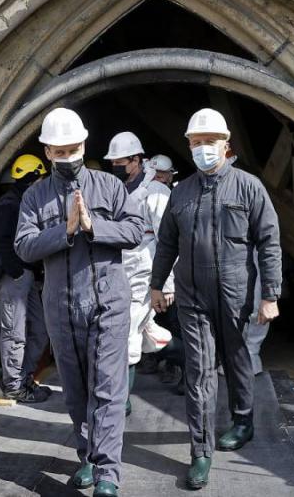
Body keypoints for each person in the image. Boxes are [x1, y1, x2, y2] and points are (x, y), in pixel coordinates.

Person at [15, 108, 144, 497]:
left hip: (108, 301)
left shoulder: (109, 186)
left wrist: (93, 226)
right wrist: (65, 230)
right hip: (61, 305)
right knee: (76, 392)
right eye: (58, 151)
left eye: (73, 149)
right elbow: (23, 246)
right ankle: (87, 456)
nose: (67, 157)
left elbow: (135, 229)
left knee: (107, 388)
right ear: (47, 152)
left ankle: (108, 474)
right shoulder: (34, 196)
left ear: (84, 145)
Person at [150, 108, 282, 490]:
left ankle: (243, 420)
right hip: (192, 296)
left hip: (235, 292)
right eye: (196, 142)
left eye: (210, 142)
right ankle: (200, 452)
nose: (203, 148)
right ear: (188, 146)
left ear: (226, 145)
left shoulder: (248, 187)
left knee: (237, 358)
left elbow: (269, 243)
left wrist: (270, 295)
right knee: (200, 369)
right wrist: (157, 285)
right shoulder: (183, 192)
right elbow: (166, 243)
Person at [104, 132, 176, 416]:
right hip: (121, 272)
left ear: (136, 160)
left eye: (120, 161)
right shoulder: (119, 189)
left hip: (146, 273)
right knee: (149, 335)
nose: (115, 166)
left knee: (128, 335)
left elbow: (169, 241)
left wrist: (166, 284)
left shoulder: (156, 192)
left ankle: (122, 402)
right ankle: (190, 359)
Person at [0, 154, 51, 402]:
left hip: (26, 277)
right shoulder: (8, 205)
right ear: (32, 178)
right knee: (14, 332)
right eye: (40, 178)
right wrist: (17, 271)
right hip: (15, 278)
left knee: (41, 330)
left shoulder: (23, 202)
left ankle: (25, 378)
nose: (43, 183)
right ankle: (14, 386)